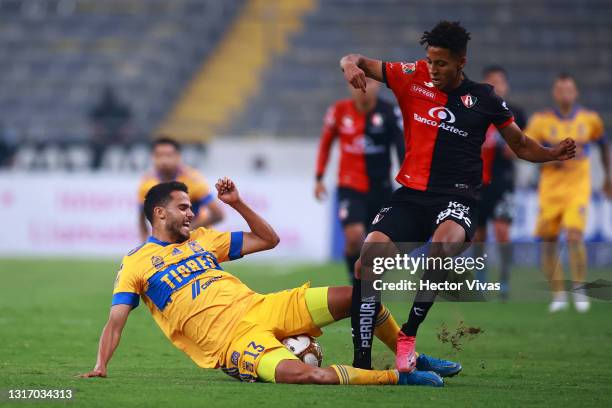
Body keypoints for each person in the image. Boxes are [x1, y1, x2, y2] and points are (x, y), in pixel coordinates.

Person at [339, 20, 576, 372]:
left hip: (457, 199)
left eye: (442, 63)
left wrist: (552, 153)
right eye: (430, 61)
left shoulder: (484, 98)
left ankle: (408, 337)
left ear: (461, 62)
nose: (433, 69)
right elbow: (356, 59)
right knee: (366, 261)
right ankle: (362, 363)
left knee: (439, 249)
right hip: (411, 195)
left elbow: (521, 144)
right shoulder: (411, 74)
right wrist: (347, 65)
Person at [79, 179, 461, 386]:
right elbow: (116, 320)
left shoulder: (203, 239)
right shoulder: (136, 263)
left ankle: (408, 355)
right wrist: (101, 365)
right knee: (303, 374)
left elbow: (268, 240)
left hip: (262, 306)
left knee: (361, 297)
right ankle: (396, 377)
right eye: (184, 207)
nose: (192, 213)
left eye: (192, 207)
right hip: (233, 342)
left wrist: (238, 204)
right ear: (159, 213)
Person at [525, 73, 611, 313]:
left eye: (569, 90)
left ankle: (580, 290)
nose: (565, 94)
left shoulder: (590, 119)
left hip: (577, 188)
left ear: (576, 93)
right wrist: (549, 159)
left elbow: (603, 145)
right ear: (555, 93)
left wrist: (607, 178)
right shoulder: (541, 121)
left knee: (574, 236)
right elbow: (526, 149)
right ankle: (558, 294)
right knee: (549, 242)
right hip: (550, 190)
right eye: (560, 90)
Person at [315, 77, 404, 281]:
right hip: (350, 186)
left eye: (369, 83)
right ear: (349, 86)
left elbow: (401, 146)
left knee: (378, 245)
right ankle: (355, 283)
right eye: (357, 84)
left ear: (378, 86)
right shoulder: (338, 111)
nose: (363, 88)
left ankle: (370, 283)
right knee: (354, 238)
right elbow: (325, 144)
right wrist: (319, 177)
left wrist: (407, 179)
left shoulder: (390, 112)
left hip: (381, 188)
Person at [473, 66, 527, 299]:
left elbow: (523, 147)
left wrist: (513, 150)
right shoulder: (474, 111)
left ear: (506, 86)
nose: (495, 87)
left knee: (502, 231)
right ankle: (480, 278)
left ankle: (504, 278)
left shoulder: (516, 113)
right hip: (476, 182)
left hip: (503, 182)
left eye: (499, 82)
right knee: (479, 234)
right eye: (490, 82)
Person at [138, 137, 223, 242]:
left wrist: (188, 229)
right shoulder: (146, 183)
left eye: (168, 155)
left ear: (178, 157)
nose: (164, 160)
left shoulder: (193, 180)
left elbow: (218, 214)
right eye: (159, 155)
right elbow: (142, 217)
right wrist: (144, 243)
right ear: (152, 157)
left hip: (197, 241)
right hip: (168, 242)